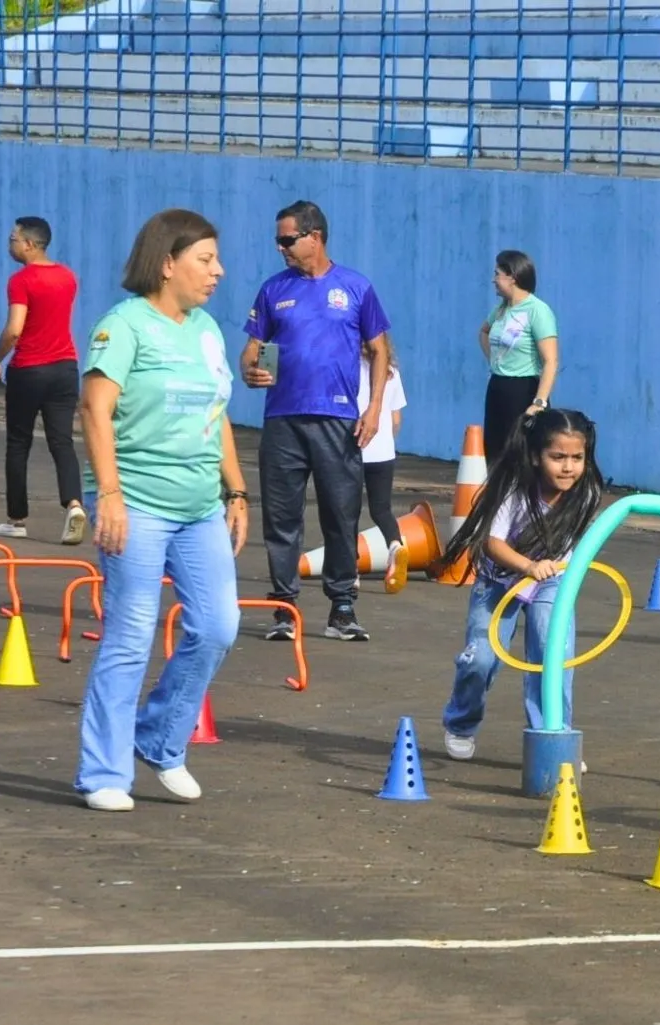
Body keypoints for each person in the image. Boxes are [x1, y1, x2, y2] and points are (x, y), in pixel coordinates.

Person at [73, 208, 248, 813]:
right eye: (205, 259)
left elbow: (216, 412)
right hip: (137, 503)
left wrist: (236, 491)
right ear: (167, 262)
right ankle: (104, 772)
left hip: (200, 506)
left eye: (216, 259)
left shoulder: (206, 331)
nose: (217, 271)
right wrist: (111, 497)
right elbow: (94, 410)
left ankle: (160, 739)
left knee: (219, 625)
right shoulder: (124, 327)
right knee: (130, 633)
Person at [239, 199, 391, 643]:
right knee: (282, 517)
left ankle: (342, 607)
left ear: (315, 237)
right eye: (278, 240)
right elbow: (251, 349)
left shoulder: (356, 288)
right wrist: (251, 369)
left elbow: (380, 349)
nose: (281, 248)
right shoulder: (272, 290)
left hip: (338, 419)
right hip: (283, 419)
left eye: (288, 239)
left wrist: (375, 408)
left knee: (341, 516)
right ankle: (284, 608)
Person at [433, 407, 601, 761]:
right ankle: (461, 722)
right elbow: (492, 544)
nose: (568, 467)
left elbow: (581, 548)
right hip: (500, 579)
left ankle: (553, 736)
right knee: (480, 659)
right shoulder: (515, 489)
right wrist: (528, 565)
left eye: (577, 457)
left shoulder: (584, 494)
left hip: (552, 582)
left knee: (552, 656)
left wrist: (555, 570)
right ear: (537, 456)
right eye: (558, 457)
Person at [0, 216, 87, 544]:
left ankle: (17, 518)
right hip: (65, 368)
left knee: (18, 443)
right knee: (62, 441)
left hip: (29, 369)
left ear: (29, 243)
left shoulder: (22, 280)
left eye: (13, 238)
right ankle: (73, 504)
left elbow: (15, 328)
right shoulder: (68, 277)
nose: (10, 243)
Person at [478, 249, 558, 464]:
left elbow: (550, 361)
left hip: (524, 390)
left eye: (497, 274)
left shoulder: (537, 310)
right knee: (496, 454)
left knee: (522, 456)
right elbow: (483, 331)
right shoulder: (501, 309)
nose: (494, 280)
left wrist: (539, 402)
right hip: (498, 387)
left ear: (512, 277)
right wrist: (495, 361)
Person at [354, 337, 410, 592]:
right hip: (383, 450)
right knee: (381, 509)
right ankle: (395, 545)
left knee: (347, 511)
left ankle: (350, 569)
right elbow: (396, 419)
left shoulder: (351, 366)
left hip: (353, 448)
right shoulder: (391, 372)